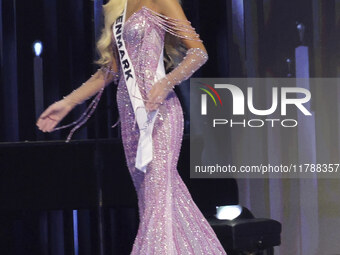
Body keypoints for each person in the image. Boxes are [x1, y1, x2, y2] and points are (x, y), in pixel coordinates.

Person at [36, 0, 227, 254]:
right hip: (131, 117)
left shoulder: (162, 1)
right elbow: (113, 70)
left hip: (159, 114)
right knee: (153, 202)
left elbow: (198, 52)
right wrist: (68, 102)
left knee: (157, 203)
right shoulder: (117, 7)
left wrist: (167, 82)